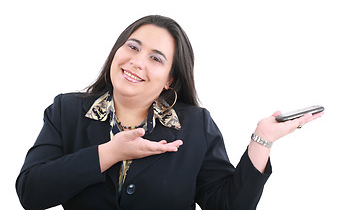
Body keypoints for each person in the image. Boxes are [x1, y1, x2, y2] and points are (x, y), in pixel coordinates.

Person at [16, 15, 323, 210]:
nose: (137, 61)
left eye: (156, 58)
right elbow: (31, 192)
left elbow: (227, 205)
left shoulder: (196, 125)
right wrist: (109, 153)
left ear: (170, 80)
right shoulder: (66, 111)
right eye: (132, 47)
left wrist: (262, 141)